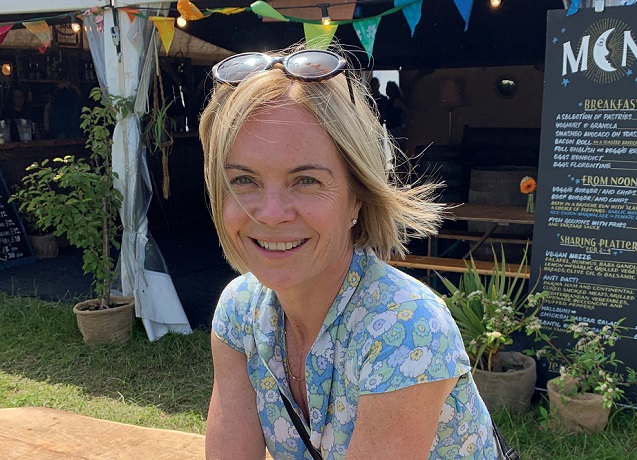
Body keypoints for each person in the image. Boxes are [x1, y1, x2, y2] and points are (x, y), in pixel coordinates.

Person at [199, 43, 502, 459]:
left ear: (357, 198)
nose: (270, 214)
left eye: (305, 180)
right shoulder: (239, 312)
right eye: (245, 180)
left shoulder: (405, 325)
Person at [384, 81, 408, 153]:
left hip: (396, 128)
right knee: (393, 147)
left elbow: (406, 112)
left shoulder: (396, 101)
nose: (386, 90)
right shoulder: (389, 101)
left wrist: (404, 124)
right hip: (391, 127)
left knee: (398, 147)